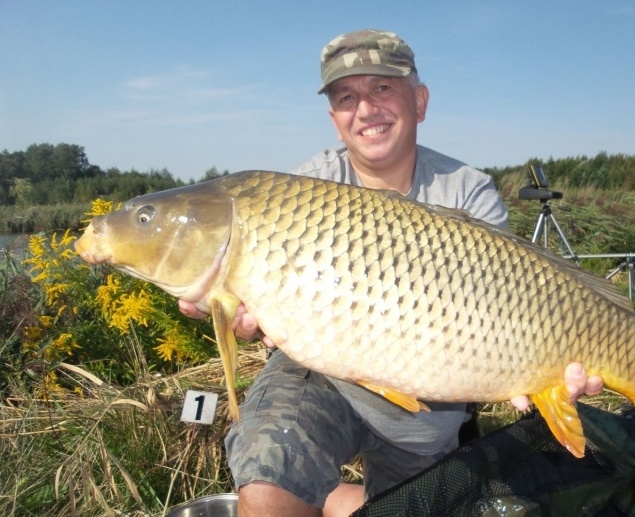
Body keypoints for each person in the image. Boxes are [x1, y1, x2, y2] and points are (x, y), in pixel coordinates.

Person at [179, 29, 604, 517]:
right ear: (334, 120)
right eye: (346, 97)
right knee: (269, 477)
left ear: (419, 101)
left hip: (430, 407)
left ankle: (346, 503)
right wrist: (243, 314)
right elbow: (268, 315)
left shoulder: (468, 191)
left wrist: (548, 372)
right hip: (321, 382)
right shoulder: (304, 189)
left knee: (402, 507)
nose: (365, 109)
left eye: (382, 89)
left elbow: (503, 316)